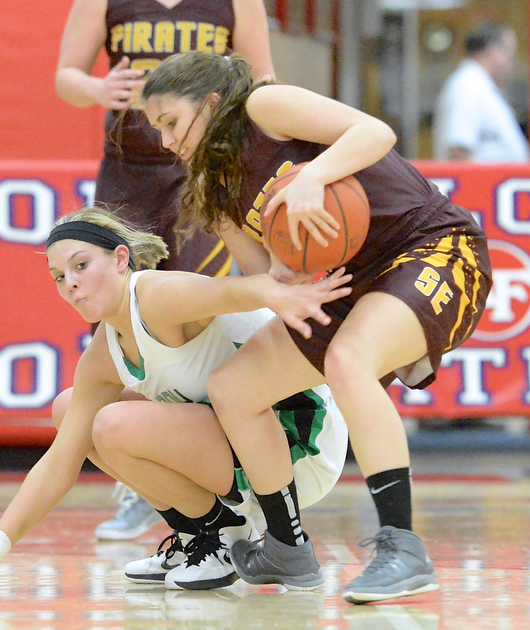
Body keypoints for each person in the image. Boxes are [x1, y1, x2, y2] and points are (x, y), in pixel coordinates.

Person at [141, 51, 492, 603]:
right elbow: (268, 274)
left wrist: (317, 178)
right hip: (344, 283)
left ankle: (402, 547)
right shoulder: (217, 185)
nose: (164, 141)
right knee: (234, 389)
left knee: (346, 361)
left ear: (210, 104)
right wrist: (282, 283)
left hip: (427, 246)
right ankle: (285, 544)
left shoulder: (263, 106)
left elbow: (373, 131)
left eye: (169, 122)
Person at [0, 207, 351, 593]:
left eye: (81, 265)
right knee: (70, 411)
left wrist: (298, 290)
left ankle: (235, 536)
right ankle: (204, 535)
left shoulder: (159, 295)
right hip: (233, 444)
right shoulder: (104, 350)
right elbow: (59, 463)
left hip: (297, 448)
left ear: (121, 259)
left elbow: (238, 292)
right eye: (58, 276)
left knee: (112, 425)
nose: (70, 283)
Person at [55, 0, 276, 540]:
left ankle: (226, 468)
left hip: (202, 165)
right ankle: (142, 486)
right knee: (117, 319)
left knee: (197, 310)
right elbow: (66, 76)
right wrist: (96, 90)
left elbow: (264, 77)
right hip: (128, 169)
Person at [433, 21, 529, 162]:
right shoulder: (468, 85)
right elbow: (458, 150)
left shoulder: (481, 84)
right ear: (492, 51)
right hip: (480, 183)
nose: (512, 61)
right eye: (509, 53)